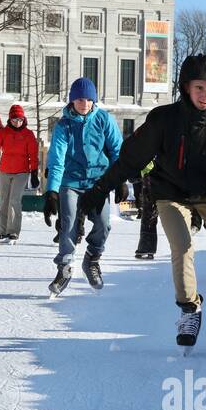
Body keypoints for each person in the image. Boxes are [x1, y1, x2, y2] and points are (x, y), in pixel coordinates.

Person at [78, 54, 206, 351]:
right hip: (172, 193)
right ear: (186, 88)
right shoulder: (164, 119)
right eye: (199, 88)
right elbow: (130, 159)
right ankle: (190, 311)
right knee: (182, 246)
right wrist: (100, 189)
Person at [42, 77, 122, 294]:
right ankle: (65, 266)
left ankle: (92, 259)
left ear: (94, 101)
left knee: (103, 224)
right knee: (68, 224)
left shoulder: (104, 119)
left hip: (98, 182)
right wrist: (51, 192)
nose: (84, 104)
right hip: (71, 181)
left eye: (88, 100)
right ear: (72, 101)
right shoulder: (64, 125)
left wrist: (119, 179)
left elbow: (117, 151)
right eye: (79, 100)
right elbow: (57, 160)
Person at [0, 104, 39, 243]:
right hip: (5, 170)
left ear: (24, 119)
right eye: (15, 119)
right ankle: (2, 231)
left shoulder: (28, 134)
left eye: (20, 119)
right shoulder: (3, 132)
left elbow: (33, 155)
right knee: (4, 200)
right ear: (10, 119)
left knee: (14, 200)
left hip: (21, 172)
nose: (18, 122)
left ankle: (14, 231)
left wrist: (34, 172)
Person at [130, 161, 158, 259]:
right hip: (149, 175)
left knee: (149, 214)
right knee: (150, 214)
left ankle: (147, 247)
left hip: (150, 176)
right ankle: (148, 248)